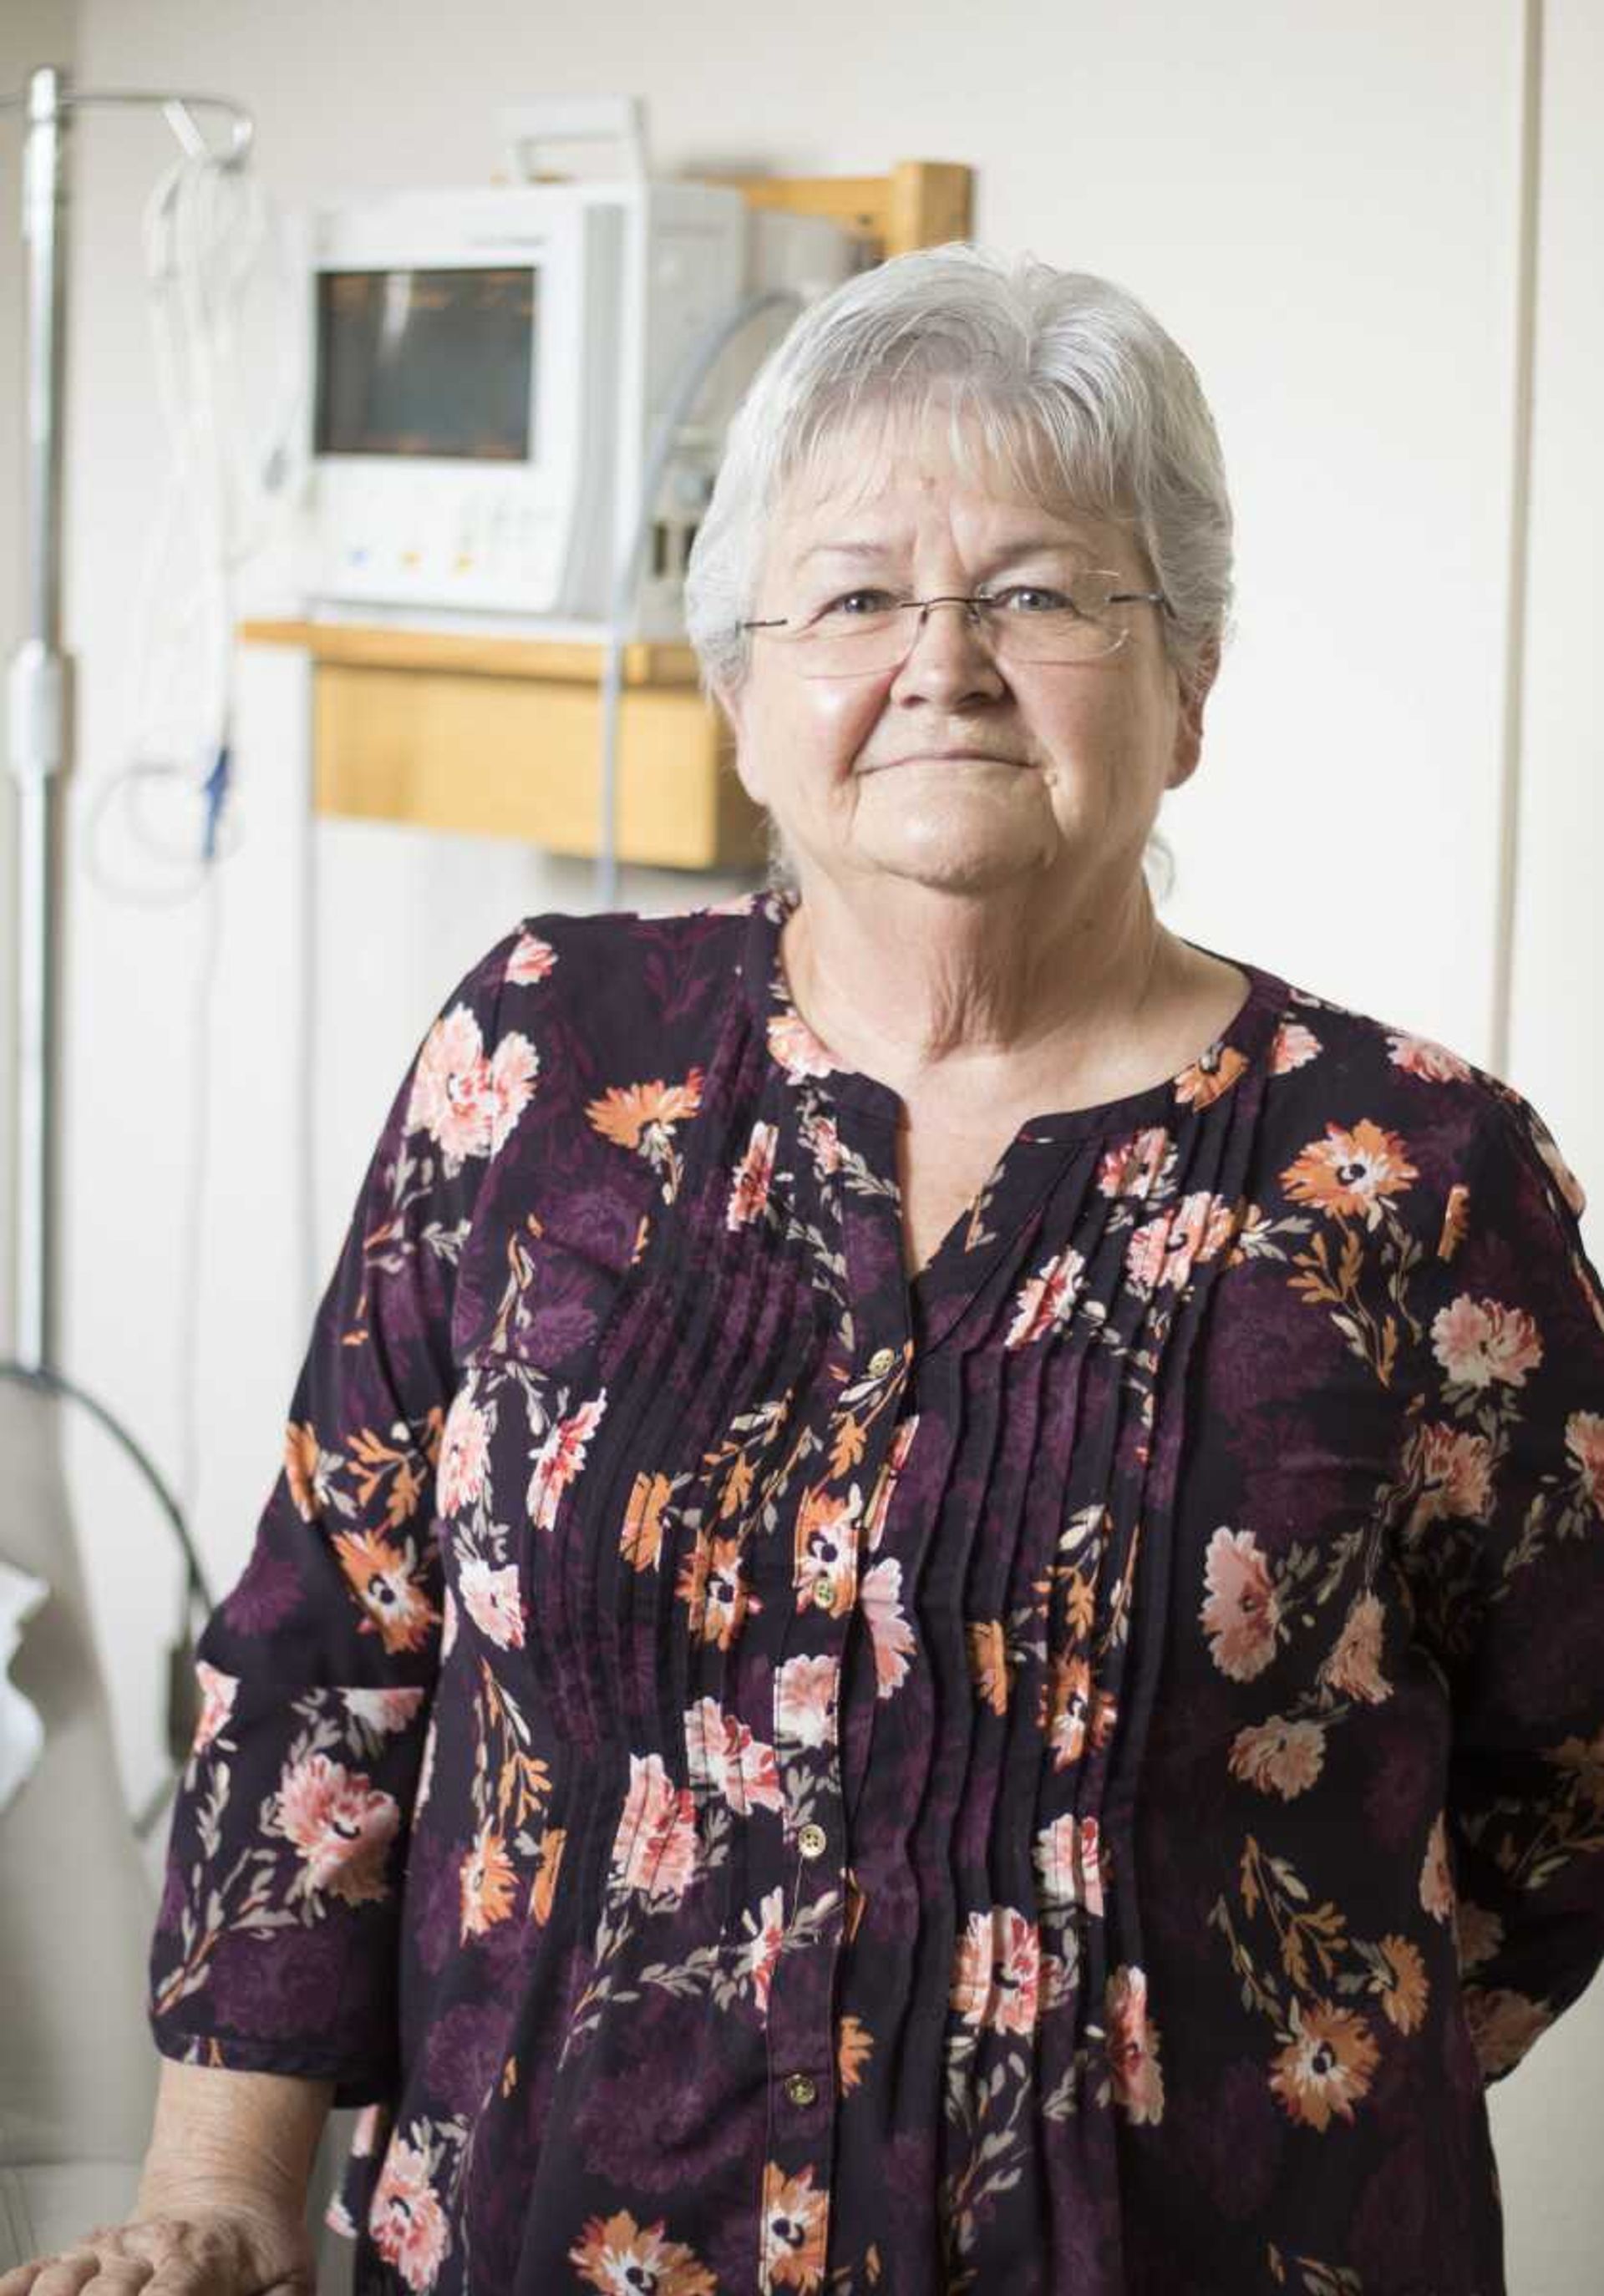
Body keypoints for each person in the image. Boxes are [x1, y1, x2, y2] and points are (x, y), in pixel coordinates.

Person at [8, 241, 1604, 2296]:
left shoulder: (1419, 1174)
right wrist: (222, 2183)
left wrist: (1236, 2072)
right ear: (745, 700)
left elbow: (1562, 1785)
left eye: (1038, 592)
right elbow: (335, 1642)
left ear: (1189, 684)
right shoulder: (540, 1062)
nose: (941, 662)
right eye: (854, 597)